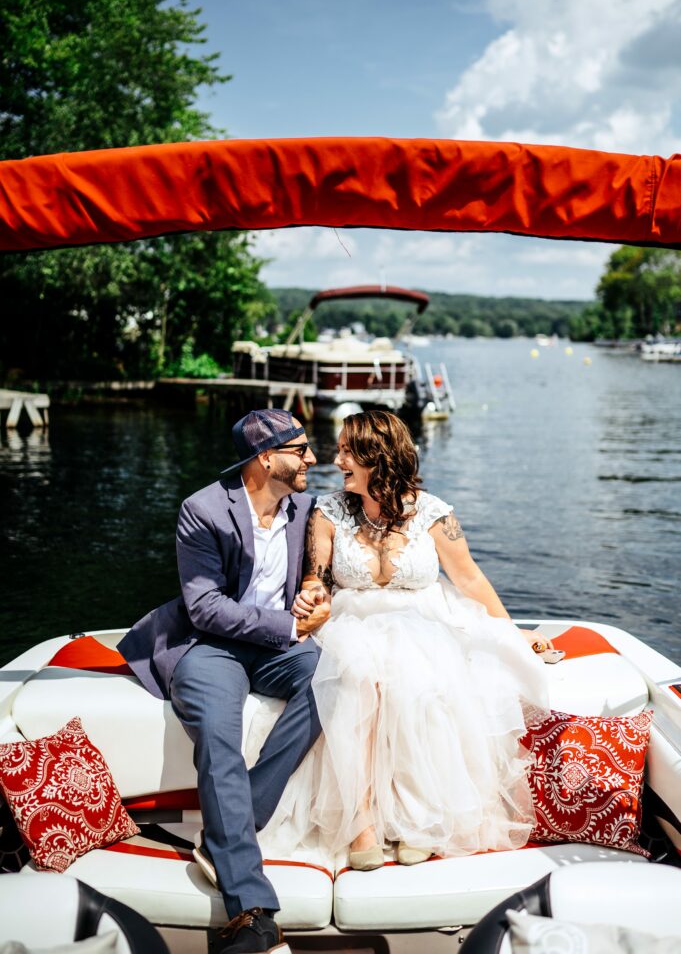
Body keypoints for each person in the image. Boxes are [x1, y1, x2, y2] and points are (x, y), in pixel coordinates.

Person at [269, 409, 551, 871]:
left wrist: (512, 629)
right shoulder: (328, 511)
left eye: (346, 451)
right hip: (350, 621)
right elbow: (315, 580)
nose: (336, 459)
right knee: (358, 673)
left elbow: (470, 580)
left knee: (418, 673)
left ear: (376, 457)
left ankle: (422, 817)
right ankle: (361, 821)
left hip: (423, 619)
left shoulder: (435, 514)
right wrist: (309, 599)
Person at [118, 409, 328, 954]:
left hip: (279, 647)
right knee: (218, 731)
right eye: (301, 449)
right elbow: (206, 607)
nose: (312, 459)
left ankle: (238, 818)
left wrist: (312, 590)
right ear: (265, 458)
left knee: (338, 679)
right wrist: (289, 625)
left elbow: (317, 571)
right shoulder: (203, 510)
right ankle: (252, 911)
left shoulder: (305, 507)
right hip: (207, 645)